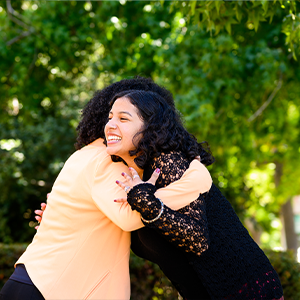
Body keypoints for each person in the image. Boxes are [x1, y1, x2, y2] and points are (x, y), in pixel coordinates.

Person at [0, 77, 209, 300]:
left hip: (34, 280)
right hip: (50, 288)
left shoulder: (84, 154)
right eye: (114, 115)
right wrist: (193, 183)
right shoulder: (108, 159)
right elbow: (129, 215)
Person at [105, 89, 284, 300]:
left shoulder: (167, 162)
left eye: (123, 118)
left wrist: (146, 202)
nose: (110, 125)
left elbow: (198, 240)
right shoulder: (142, 174)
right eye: (110, 118)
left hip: (246, 289)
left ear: (149, 127)